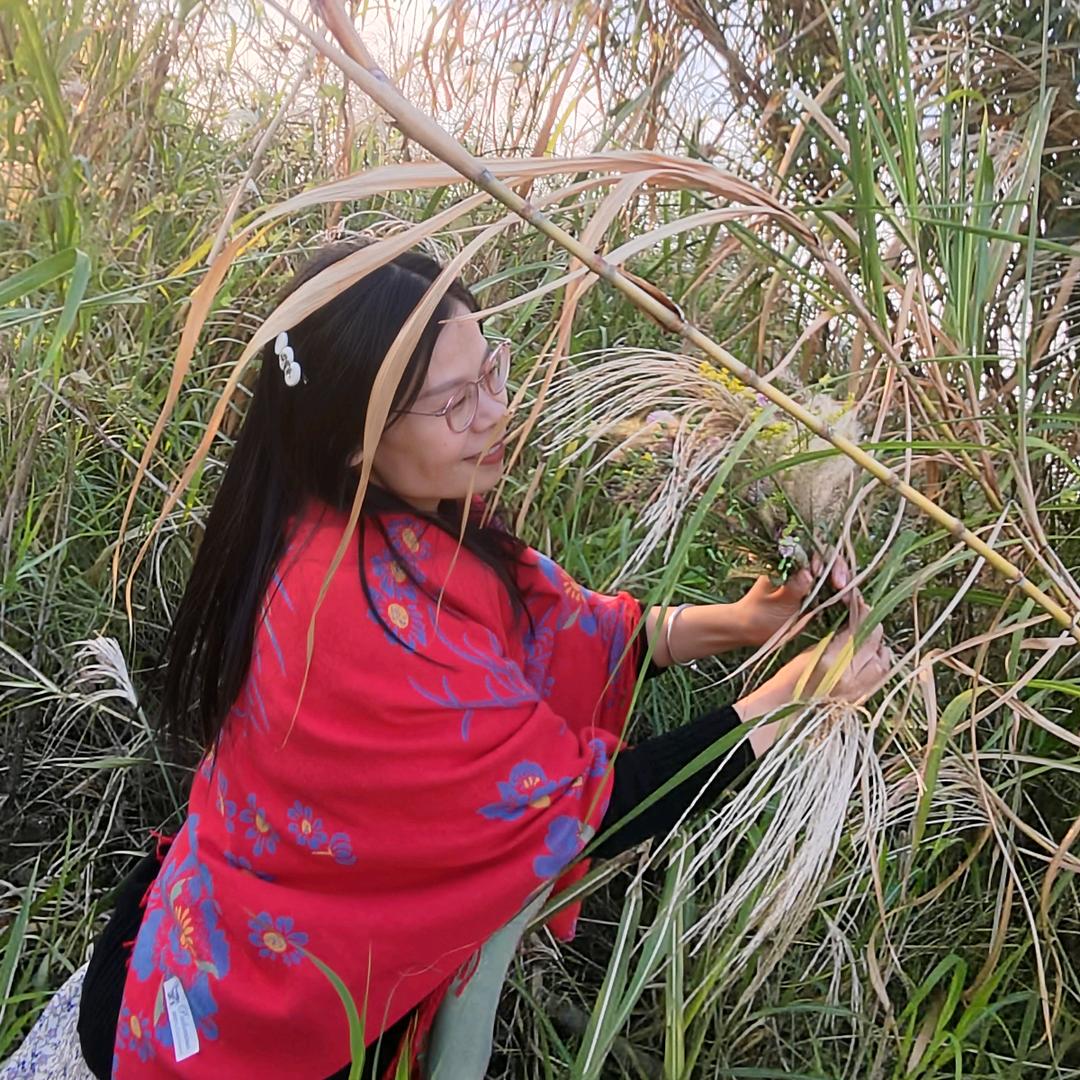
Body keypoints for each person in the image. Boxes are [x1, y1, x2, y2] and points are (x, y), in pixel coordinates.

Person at [3, 241, 890, 1080]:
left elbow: (573, 633)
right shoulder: (346, 620)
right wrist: (789, 698)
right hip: (245, 1020)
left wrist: (743, 622)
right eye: (456, 401)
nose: (496, 412)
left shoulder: (383, 512)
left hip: (207, 937)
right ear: (357, 431)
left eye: (491, 372)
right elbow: (583, 809)